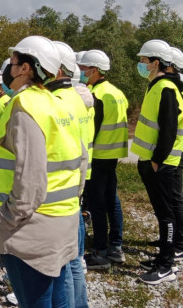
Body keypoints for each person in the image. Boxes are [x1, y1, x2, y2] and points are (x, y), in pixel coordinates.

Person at [0, 36, 85, 308]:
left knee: (36, 302)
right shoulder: (58, 103)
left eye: (12, 63)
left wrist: (9, 218)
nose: (7, 69)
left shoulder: (24, 106)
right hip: (63, 218)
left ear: (26, 68)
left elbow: (31, 174)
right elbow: (81, 161)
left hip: (32, 226)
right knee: (59, 300)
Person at [131, 39, 183, 285]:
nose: (140, 65)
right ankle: (163, 258)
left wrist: (156, 160)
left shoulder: (166, 88)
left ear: (156, 63)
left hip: (161, 163)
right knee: (163, 213)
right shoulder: (156, 85)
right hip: (152, 160)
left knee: (166, 215)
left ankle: (166, 266)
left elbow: (168, 130)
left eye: (144, 61)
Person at [48, 41, 93, 308]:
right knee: (73, 258)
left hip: (59, 192)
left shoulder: (61, 101)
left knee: (63, 261)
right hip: (73, 186)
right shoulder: (78, 99)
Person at [77, 49, 128, 269]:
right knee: (111, 201)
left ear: (94, 70)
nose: (79, 72)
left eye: (82, 68)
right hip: (112, 155)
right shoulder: (116, 92)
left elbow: (92, 129)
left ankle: (100, 252)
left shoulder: (96, 94)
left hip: (97, 156)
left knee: (97, 205)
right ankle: (116, 247)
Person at [161, 46, 183, 262]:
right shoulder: (181, 86)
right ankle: (173, 242)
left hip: (176, 150)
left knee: (175, 198)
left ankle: (180, 245)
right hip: (179, 149)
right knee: (173, 199)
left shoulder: (177, 88)